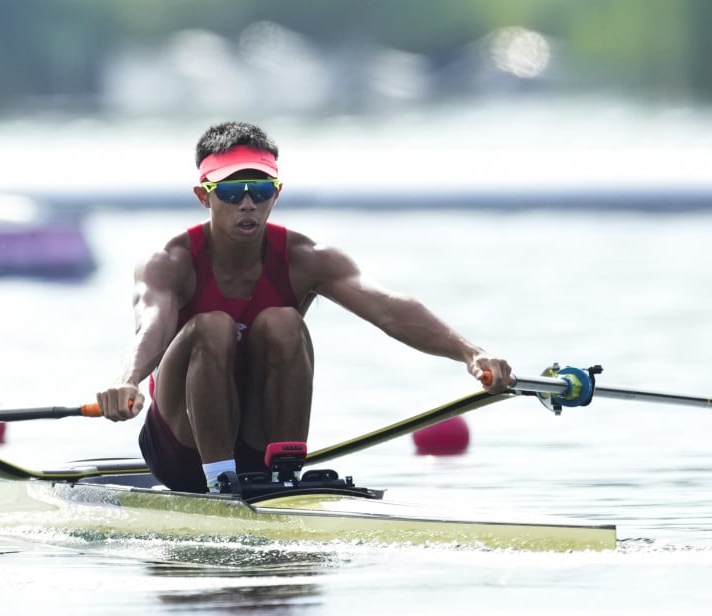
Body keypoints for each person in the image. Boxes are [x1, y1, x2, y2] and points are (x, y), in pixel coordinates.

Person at [96, 121, 512, 494]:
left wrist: (471, 353)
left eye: (259, 190)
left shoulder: (307, 257)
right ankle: (220, 479)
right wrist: (126, 380)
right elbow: (151, 325)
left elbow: (389, 308)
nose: (247, 203)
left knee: (284, 321)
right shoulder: (169, 261)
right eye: (230, 190)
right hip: (180, 448)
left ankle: (284, 473)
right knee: (212, 326)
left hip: (258, 439)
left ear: (275, 194)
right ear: (204, 197)